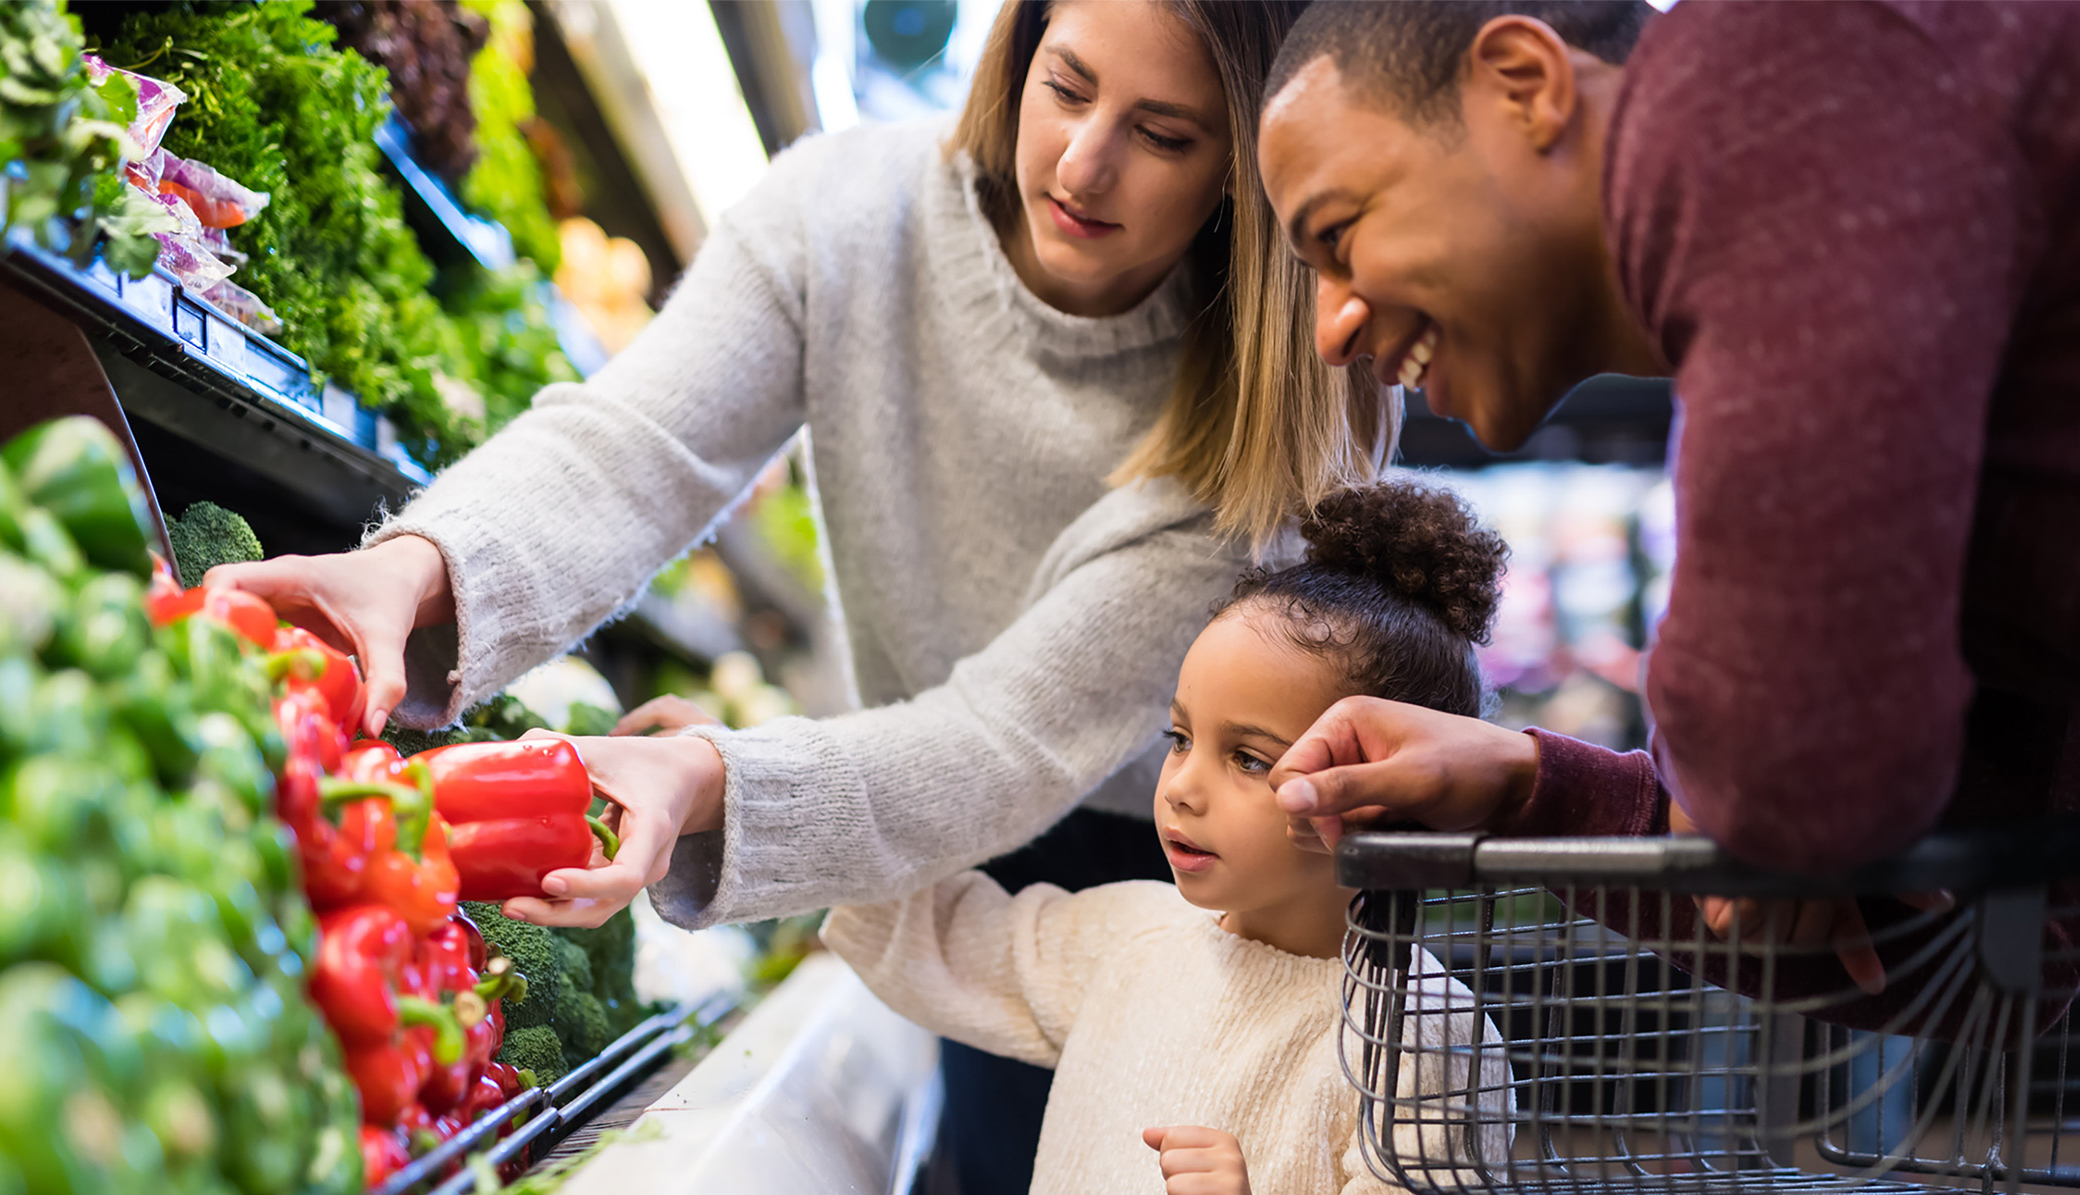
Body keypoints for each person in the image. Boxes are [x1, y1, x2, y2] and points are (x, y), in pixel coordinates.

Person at [206, 3, 1393, 1188]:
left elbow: (1001, 739)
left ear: (1242, 164)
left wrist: (718, 779)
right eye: (1067, 87)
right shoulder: (850, 208)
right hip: (934, 842)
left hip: (1170, 882)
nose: (1086, 163)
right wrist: (417, 567)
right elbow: (639, 443)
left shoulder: (1257, 410)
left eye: (1165, 133)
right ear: (1017, 53)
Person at [1250, 0, 2079, 1017]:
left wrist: (1766, 805)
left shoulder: (1783, 65)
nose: (1331, 328)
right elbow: (1962, 942)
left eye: (1339, 234)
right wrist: (1531, 788)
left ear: (1524, 82)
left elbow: (1784, 782)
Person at [824, 480, 1512, 1195]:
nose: (1182, 784)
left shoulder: (1424, 1040)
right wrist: (746, 812)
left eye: (1249, 758)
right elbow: (944, 933)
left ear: (1379, 793)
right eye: (1179, 737)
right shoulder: (1130, 938)